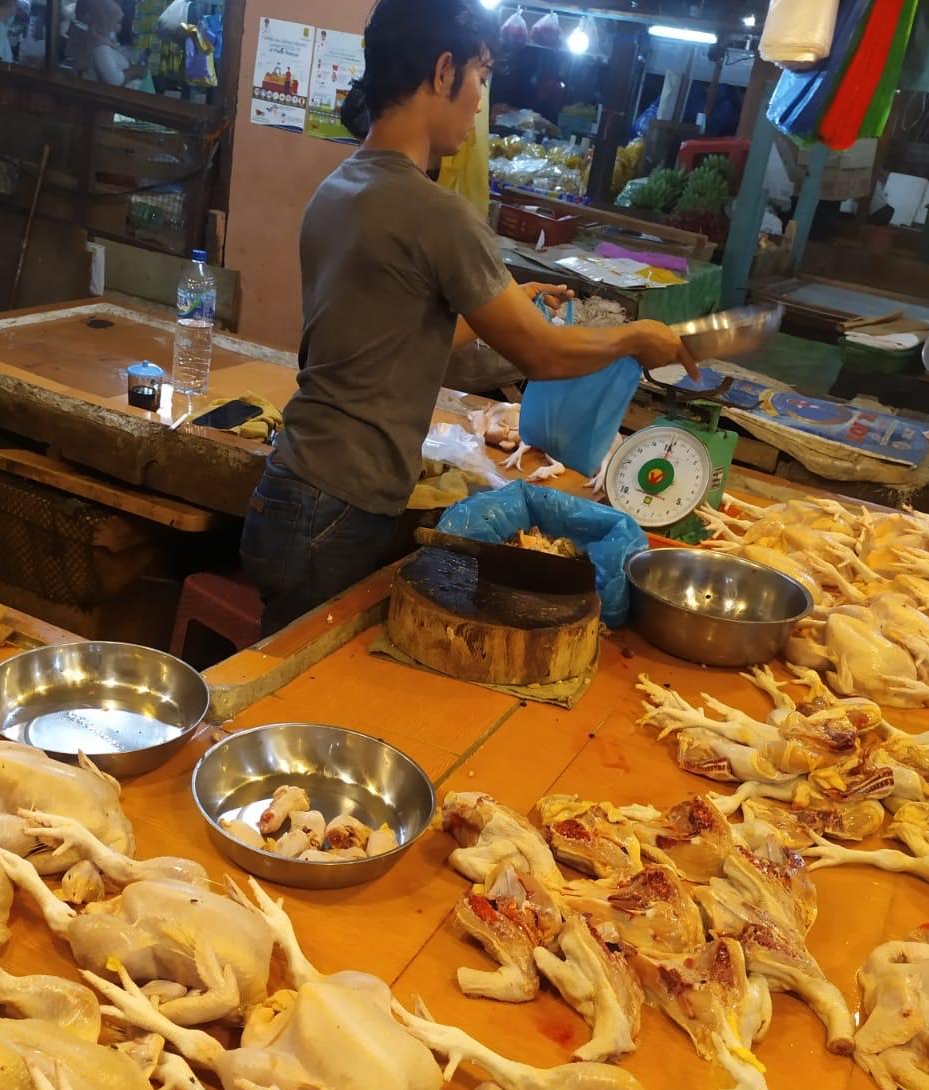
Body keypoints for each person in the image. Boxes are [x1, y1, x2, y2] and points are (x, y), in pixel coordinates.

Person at [240, 0, 696, 634]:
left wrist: (509, 304)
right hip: (340, 502)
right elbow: (542, 355)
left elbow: (396, 336)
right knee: (301, 695)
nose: (481, 101)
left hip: (294, 483)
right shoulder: (434, 212)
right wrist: (634, 339)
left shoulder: (341, 188)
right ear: (444, 70)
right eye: (481, 77)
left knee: (287, 676)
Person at [69, 0, 148, 86]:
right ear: (105, 23)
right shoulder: (101, 49)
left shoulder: (104, 39)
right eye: (118, 22)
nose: (120, 26)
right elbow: (115, 81)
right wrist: (135, 71)